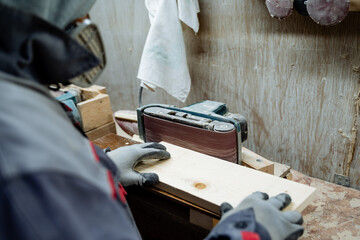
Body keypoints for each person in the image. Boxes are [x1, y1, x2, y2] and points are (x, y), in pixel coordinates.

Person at [0, 1, 304, 239]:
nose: (83, 24)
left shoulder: (18, 96)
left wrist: (100, 166)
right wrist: (246, 236)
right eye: (77, 15)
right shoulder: (27, 153)